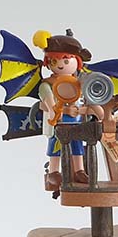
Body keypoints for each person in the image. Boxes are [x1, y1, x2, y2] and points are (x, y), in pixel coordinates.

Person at [33, 29, 103, 191]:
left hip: (77, 124)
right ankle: (53, 171)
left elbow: (88, 104)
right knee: (55, 146)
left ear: (77, 62)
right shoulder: (47, 85)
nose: (60, 65)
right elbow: (46, 105)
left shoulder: (81, 83)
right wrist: (64, 111)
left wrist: (88, 110)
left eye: (66, 61)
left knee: (77, 146)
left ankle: (79, 171)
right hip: (58, 124)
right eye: (54, 61)